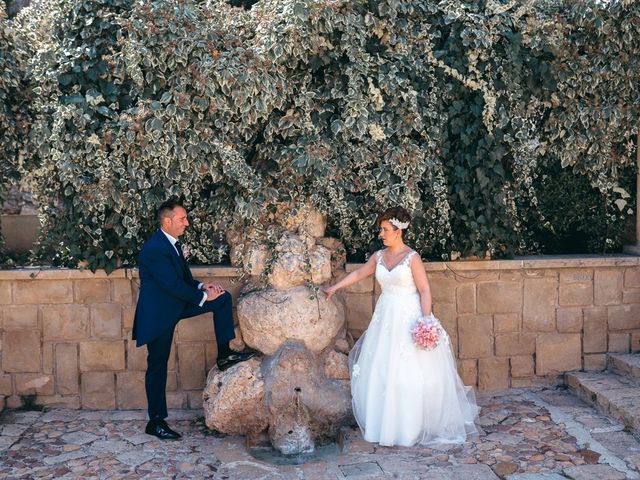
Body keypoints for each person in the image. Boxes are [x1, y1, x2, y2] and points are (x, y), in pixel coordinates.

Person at [322, 207, 478, 447]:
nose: (381, 234)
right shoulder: (379, 256)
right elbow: (361, 273)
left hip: (409, 318)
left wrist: (426, 321)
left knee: (409, 372)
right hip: (385, 318)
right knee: (382, 370)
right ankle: (385, 425)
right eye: (381, 229)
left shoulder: (412, 258)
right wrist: (335, 288)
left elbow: (425, 290)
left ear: (398, 231)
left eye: (385, 230)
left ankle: (409, 427)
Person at [133, 199, 255, 440]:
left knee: (221, 299)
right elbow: (171, 284)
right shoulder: (155, 248)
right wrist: (202, 296)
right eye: (182, 219)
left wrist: (203, 286)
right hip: (158, 314)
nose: (186, 223)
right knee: (157, 366)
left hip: (176, 305)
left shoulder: (172, 244)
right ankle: (155, 422)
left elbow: (183, 279)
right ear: (167, 221)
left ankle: (224, 354)